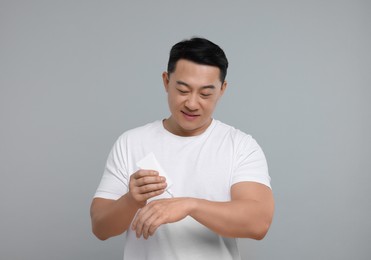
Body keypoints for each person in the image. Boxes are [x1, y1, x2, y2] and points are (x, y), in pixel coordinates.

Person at [90, 37, 274, 260]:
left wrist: (190, 206)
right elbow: (100, 228)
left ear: (222, 90)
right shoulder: (131, 142)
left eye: (205, 94)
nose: (192, 103)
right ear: (166, 81)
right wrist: (132, 200)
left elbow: (258, 223)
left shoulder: (240, 146)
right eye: (183, 90)